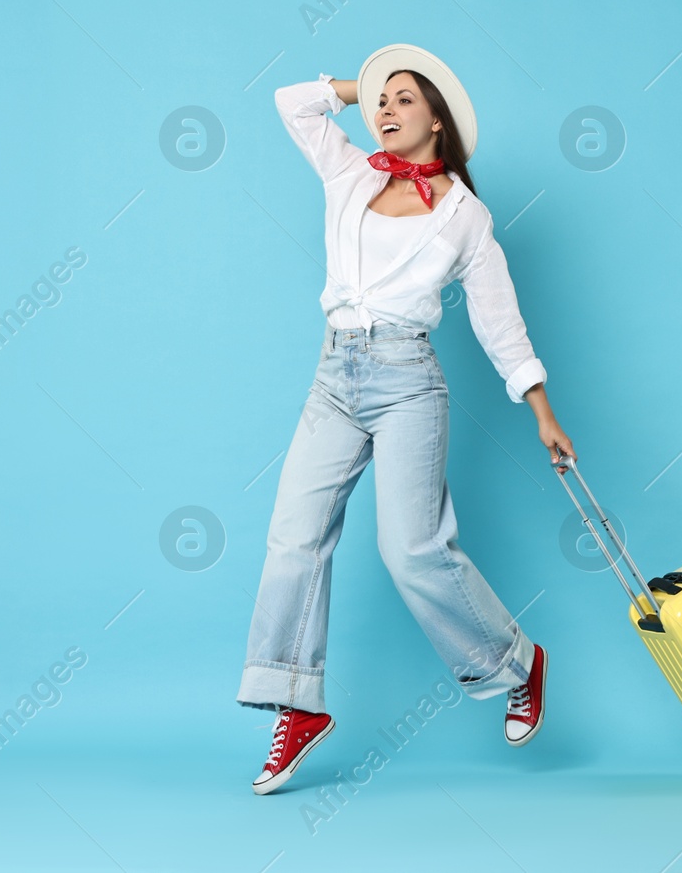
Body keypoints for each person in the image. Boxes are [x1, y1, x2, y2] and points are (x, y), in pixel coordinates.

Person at [236, 45, 575, 796]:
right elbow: (291, 100)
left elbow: (500, 324)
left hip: (406, 382)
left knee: (411, 549)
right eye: (380, 101)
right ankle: (296, 704)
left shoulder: (464, 214)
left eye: (403, 101)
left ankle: (518, 663)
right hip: (334, 375)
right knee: (293, 535)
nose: (384, 111)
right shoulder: (349, 171)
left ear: (438, 124)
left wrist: (541, 411)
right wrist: (365, 83)